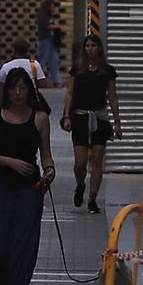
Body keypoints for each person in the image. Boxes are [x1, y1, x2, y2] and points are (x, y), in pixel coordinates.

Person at [0, 65, 55, 285]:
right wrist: (9, 162)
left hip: (29, 191)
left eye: (23, 88)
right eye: (14, 88)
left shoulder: (39, 118)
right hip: (0, 187)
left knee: (24, 248)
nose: (18, 93)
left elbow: (46, 154)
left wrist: (49, 172)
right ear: (6, 90)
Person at [61, 35, 122, 215]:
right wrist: (66, 115)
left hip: (100, 117)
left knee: (97, 159)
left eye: (93, 45)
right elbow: (70, 93)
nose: (90, 49)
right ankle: (80, 184)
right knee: (80, 162)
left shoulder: (107, 71)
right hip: (80, 117)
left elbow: (112, 96)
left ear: (99, 48)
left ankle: (92, 199)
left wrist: (117, 122)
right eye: (87, 45)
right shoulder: (77, 70)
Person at [35, 2, 64, 87]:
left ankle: (56, 80)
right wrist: (57, 27)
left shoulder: (48, 16)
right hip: (45, 40)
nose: (53, 9)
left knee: (54, 60)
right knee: (43, 59)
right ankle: (35, 77)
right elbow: (48, 26)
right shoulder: (42, 16)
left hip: (50, 40)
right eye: (52, 7)